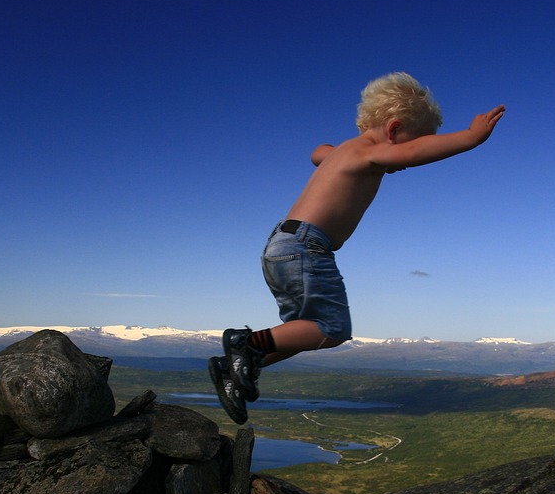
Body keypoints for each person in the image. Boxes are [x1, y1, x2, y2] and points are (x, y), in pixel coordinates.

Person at [209, 72, 506, 423]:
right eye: (410, 142)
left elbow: (317, 152)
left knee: (302, 333)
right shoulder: (369, 154)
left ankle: (234, 369)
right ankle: (246, 346)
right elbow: (412, 153)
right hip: (307, 248)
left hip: (281, 246)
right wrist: (471, 137)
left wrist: (336, 155)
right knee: (332, 329)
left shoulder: (343, 154)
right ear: (393, 130)